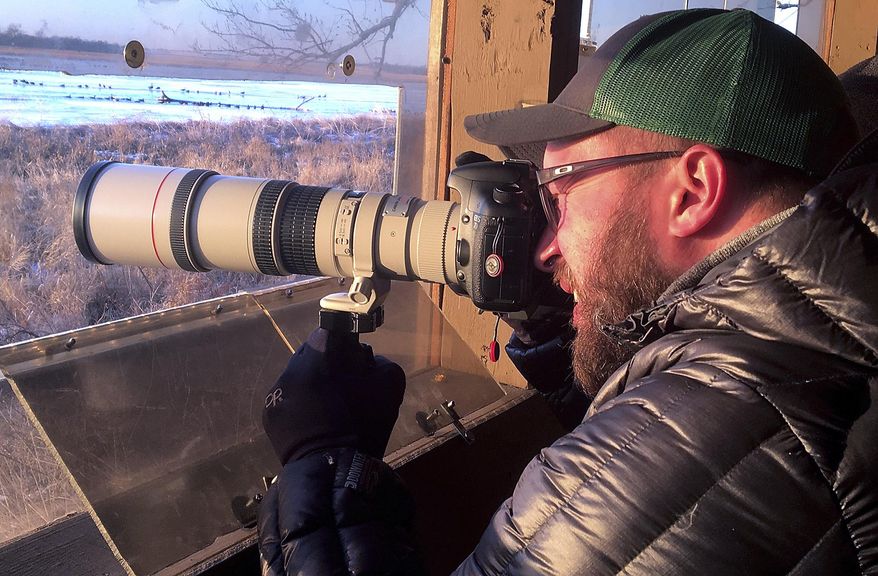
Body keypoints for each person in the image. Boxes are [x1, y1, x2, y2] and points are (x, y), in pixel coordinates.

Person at [257, 9, 878, 575]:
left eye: (558, 194)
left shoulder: (722, 421)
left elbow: (656, 474)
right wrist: (570, 331)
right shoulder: (817, 346)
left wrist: (324, 468)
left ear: (693, 191)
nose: (545, 247)